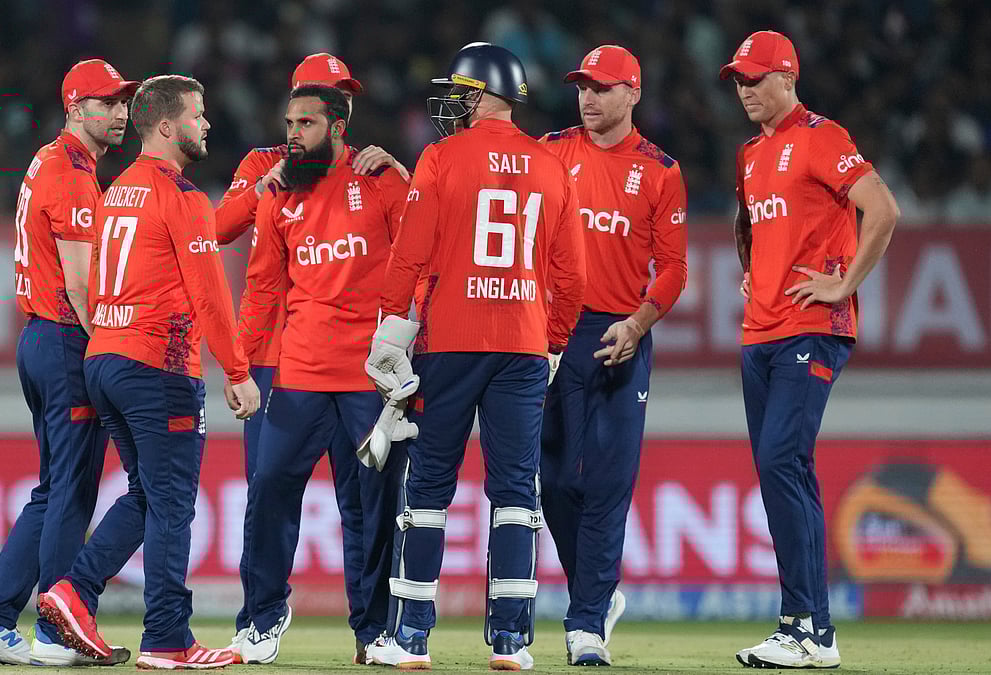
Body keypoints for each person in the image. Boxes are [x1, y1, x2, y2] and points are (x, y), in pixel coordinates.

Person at [364, 42, 586, 671]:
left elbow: (409, 255)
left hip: (451, 340)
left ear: (484, 92)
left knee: (429, 489)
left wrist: (389, 331)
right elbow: (572, 277)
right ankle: (512, 643)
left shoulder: (440, 157)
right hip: (521, 341)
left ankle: (410, 640)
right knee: (517, 493)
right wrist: (554, 343)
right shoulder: (551, 167)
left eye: (461, 90)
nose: (453, 101)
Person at [36, 74, 260, 671]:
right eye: (198, 113)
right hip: (157, 364)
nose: (206, 123)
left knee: (147, 495)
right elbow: (210, 293)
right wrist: (237, 371)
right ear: (167, 125)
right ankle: (166, 639)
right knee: (172, 504)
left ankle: (74, 591)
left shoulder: (117, 192)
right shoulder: (182, 197)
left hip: (104, 358)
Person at [212, 53, 410, 665]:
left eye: (306, 123)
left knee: (369, 505)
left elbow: (422, 255)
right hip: (294, 373)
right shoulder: (270, 185)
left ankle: (373, 632)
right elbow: (262, 288)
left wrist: (405, 355)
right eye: (290, 121)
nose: (292, 133)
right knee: (269, 489)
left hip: (365, 378)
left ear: (339, 123)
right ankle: (261, 620)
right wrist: (241, 367)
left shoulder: (380, 181)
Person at [720, 30, 899, 669]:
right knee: (783, 471)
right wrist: (755, 267)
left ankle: (805, 628)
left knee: (779, 462)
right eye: (738, 79)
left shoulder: (822, 136)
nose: (743, 89)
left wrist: (845, 284)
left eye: (754, 78)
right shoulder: (748, 154)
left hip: (813, 328)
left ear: (787, 77)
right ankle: (812, 630)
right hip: (759, 331)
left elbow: (882, 210)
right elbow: (749, 224)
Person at [0, 58, 136, 667]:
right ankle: (57, 632)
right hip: (65, 341)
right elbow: (84, 290)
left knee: (55, 488)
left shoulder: (48, 160)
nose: (119, 113)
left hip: (41, 338)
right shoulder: (74, 177)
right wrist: (113, 348)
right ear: (74, 107)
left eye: (122, 103)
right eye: (107, 103)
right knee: (72, 494)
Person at [539, 44, 688, 667]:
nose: (588, 98)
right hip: (550, 333)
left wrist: (638, 322)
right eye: (582, 87)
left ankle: (586, 625)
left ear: (633, 94)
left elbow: (674, 268)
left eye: (602, 88)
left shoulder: (659, 170)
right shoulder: (548, 151)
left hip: (618, 333)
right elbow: (472, 177)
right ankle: (598, 593)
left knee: (607, 483)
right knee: (551, 483)